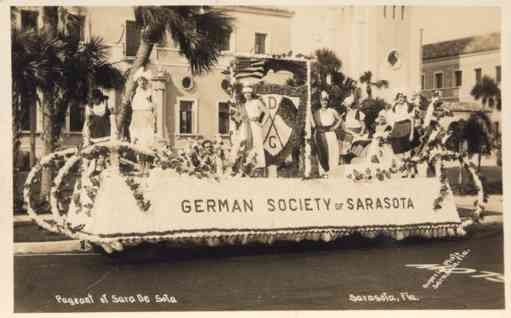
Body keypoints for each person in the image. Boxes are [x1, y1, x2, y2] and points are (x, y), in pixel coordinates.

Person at [239, 85, 269, 173]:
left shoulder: (257, 102)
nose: (247, 95)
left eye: (248, 93)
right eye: (245, 93)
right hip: (247, 125)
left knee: (258, 143)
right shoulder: (244, 105)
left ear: (251, 93)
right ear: (244, 95)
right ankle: (248, 164)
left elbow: (267, 112)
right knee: (246, 143)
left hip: (256, 125)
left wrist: (262, 123)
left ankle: (261, 165)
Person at [313, 90, 342, 176]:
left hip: (330, 134)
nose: (324, 102)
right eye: (322, 100)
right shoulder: (316, 112)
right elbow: (314, 125)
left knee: (332, 152)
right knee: (322, 154)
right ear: (320, 101)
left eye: (325, 100)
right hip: (320, 134)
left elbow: (340, 119)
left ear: (327, 101)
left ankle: (333, 172)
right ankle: (323, 173)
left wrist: (335, 127)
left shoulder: (332, 111)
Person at [130, 67, 155, 146]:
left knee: (146, 135)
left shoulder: (149, 92)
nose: (141, 82)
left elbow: (152, 105)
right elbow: (133, 107)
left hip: (146, 115)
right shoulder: (135, 93)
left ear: (146, 82)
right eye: (140, 80)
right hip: (137, 115)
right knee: (136, 134)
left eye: (143, 80)